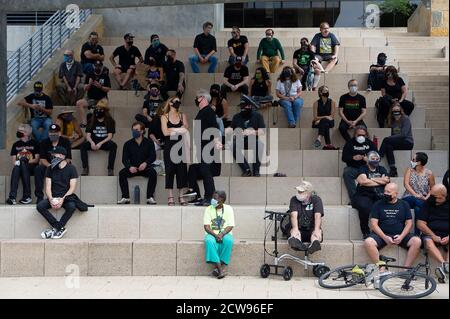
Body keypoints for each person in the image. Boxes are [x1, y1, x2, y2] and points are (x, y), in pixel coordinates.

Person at [364, 183, 421, 268]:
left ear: (396, 194)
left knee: (417, 241)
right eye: (385, 191)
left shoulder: (404, 204)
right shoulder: (378, 204)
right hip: (381, 235)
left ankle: (406, 269)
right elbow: (373, 224)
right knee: (368, 242)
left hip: (400, 235)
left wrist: (401, 237)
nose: (385, 194)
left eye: (388, 192)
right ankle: (381, 268)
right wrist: (384, 237)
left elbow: (409, 223)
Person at [37, 146, 78, 240]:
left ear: (61, 156)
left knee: (72, 207)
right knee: (40, 206)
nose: (52, 157)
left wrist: (62, 199)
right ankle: (58, 227)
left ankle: (55, 229)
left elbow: (72, 188)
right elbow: (47, 187)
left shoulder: (71, 168)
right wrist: (51, 199)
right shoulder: (50, 168)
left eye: (54, 155)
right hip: (53, 196)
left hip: (66, 197)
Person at [192, 89, 222, 206]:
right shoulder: (203, 111)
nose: (196, 99)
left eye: (198, 97)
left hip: (207, 146)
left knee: (206, 172)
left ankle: (210, 198)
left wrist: (215, 141)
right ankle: (209, 198)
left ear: (203, 99)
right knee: (205, 172)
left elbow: (214, 127)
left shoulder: (208, 111)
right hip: (202, 146)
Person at [352, 151, 390, 238]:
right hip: (363, 195)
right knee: (365, 207)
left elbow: (387, 180)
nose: (375, 160)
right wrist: (380, 180)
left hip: (378, 195)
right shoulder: (363, 168)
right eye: (373, 159)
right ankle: (365, 231)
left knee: (385, 205)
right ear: (368, 160)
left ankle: (381, 231)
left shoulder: (382, 169)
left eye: (377, 159)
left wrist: (371, 178)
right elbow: (363, 181)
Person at [118, 122, 158, 205]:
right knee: (122, 173)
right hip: (133, 168)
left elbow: (153, 156)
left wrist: (145, 163)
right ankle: (125, 197)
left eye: (136, 130)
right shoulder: (127, 144)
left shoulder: (149, 143)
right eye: (133, 130)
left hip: (145, 168)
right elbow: (124, 159)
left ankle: (150, 197)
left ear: (142, 131)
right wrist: (129, 167)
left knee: (153, 173)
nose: (134, 131)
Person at [227, 96, 266, 177]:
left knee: (260, 144)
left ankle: (256, 170)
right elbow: (230, 130)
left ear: (250, 106)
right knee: (232, 145)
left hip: (252, 140)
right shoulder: (236, 116)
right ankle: (246, 170)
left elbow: (262, 131)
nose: (243, 108)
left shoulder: (258, 116)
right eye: (241, 107)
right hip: (239, 140)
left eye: (245, 106)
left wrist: (251, 132)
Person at [161, 97, 189, 206]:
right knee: (170, 170)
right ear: (170, 103)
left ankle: (181, 196)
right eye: (175, 101)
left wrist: (172, 130)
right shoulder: (164, 117)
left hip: (181, 146)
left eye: (179, 101)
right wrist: (178, 130)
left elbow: (185, 129)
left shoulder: (182, 115)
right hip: (169, 146)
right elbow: (165, 133)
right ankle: (170, 196)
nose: (178, 103)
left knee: (182, 171)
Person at [416, 184, 449, 278]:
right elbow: (420, 223)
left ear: (443, 196)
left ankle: (447, 265)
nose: (431, 198)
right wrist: (433, 235)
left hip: (447, 234)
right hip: (430, 234)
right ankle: (444, 264)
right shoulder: (428, 203)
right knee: (428, 241)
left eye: (434, 196)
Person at [35, 124, 72, 203]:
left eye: (55, 132)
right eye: (51, 132)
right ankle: (39, 197)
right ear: (48, 133)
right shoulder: (44, 142)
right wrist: (51, 166)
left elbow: (68, 158)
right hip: (49, 166)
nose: (53, 134)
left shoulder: (65, 142)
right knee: (38, 169)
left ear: (59, 133)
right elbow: (42, 159)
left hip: (62, 165)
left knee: (70, 168)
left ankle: (65, 197)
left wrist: (61, 165)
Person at [203, 191, 235, 279]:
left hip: (225, 233)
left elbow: (231, 225)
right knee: (209, 241)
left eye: (215, 198)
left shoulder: (229, 209)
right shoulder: (208, 209)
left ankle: (217, 269)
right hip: (211, 234)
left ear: (222, 200)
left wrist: (221, 234)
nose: (212, 200)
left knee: (229, 241)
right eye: (212, 198)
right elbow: (206, 227)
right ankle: (221, 270)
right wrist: (215, 235)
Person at [286, 181, 324, 254]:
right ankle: (297, 242)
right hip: (298, 228)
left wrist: (316, 230)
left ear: (308, 193)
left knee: (317, 233)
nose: (298, 193)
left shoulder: (316, 200)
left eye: (301, 192)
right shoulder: (294, 199)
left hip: (311, 229)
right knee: (294, 233)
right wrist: (295, 229)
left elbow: (317, 216)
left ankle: (314, 244)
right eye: (298, 191)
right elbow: (293, 215)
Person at [6, 124, 40, 205]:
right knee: (16, 168)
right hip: (19, 167)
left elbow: (36, 159)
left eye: (20, 131)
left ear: (26, 133)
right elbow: (14, 161)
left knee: (23, 162)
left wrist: (24, 161)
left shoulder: (35, 143)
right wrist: (20, 163)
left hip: (31, 167)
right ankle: (13, 197)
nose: (18, 132)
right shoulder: (16, 144)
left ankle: (27, 196)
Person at [80, 103, 117, 176]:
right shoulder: (91, 120)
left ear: (104, 111)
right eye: (96, 109)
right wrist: (91, 142)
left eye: (100, 109)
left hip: (104, 142)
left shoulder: (109, 121)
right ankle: (85, 168)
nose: (98, 111)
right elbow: (88, 135)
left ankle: (110, 169)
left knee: (113, 146)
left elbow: (110, 136)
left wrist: (100, 143)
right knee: (83, 146)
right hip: (93, 141)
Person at [342, 126, 377, 201]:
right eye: (359, 135)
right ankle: (355, 198)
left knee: (376, 173)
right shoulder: (349, 143)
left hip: (367, 168)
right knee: (347, 172)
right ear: (355, 135)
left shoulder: (370, 143)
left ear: (366, 135)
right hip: (354, 168)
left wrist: (369, 160)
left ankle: (372, 197)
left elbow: (377, 157)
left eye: (363, 135)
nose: (361, 137)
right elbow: (344, 158)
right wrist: (353, 158)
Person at [379, 102, 414, 177]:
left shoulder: (405, 119)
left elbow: (403, 135)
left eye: (398, 111)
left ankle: (379, 156)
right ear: (391, 112)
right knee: (388, 146)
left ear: (401, 111)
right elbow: (394, 135)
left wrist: (389, 138)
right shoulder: (392, 121)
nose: (396, 113)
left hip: (407, 142)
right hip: (398, 142)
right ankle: (393, 169)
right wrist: (390, 139)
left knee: (386, 139)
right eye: (394, 111)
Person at [76, 60, 111, 127]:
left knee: (100, 107)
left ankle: (100, 122)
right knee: (79, 103)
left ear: (102, 67)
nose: (97, 68)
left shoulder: (105, 76)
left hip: (102, 98)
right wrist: (90, 83)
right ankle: (84, 123)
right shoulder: (89, 75)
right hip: (90, 98)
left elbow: (108, 89)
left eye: (99, 66)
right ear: (93, 66)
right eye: (96, 66)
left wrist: (100, 87)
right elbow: (85, 88)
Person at [402, 152, 436, 218]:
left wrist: (426, 198)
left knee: (417, 209)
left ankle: (419, 228)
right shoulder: (409, 170)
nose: (411, 161)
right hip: (409, 197)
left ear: (419, 162)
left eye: (413, 160)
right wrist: (416, 195)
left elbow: (433, 189)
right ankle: (431, 212)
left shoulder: (429, 173)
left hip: (423, 198)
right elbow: (406, 184)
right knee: (416, 200)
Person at [312, 85, 338, 150]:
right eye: (325, 90)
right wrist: (325, 117)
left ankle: (319, 137)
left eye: (327, 90)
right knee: (325, 123)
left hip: (329, 122)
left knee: (324, 121)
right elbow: (315, 117)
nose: (327, 92)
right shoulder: (316, 103)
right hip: (317, 123)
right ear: (320, 93)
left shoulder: (332, 102)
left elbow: (331, 116)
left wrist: (320, 119)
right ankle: (328, 144)